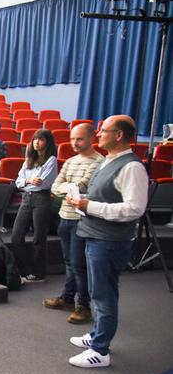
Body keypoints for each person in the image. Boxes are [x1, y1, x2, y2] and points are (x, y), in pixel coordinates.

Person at [66, 115, 148, 368]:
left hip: (110, 241)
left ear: (119, 135)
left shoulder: (132, 167)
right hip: (95, 236)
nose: (99, 134)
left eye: (104, 130)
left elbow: (135, 209)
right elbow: (105, 196)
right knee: (97, 291)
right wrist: (83, 201)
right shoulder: (110, 161)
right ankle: (96, 335)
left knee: (104, 295)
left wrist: (90, 205)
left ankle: (100, 350)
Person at [43, 124, 104, 324]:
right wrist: (69, 188)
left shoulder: (99, 162)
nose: (74, 143)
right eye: (71, 139)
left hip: (82, 220)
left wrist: (67, 188)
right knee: (69, 262)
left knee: (79, 265)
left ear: (91, 138)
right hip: (65, 217)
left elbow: (83, 185)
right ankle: (68, 298)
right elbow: (55, 186)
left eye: (79, 139)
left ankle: (83, 306)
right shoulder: (69, 161)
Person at [10, 129, 58, 282]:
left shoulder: (51, 160)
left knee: (39, 238)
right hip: (26, 199)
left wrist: (27, 182)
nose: (36, 142)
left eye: (41, 139)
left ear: (47, 142)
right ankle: (23, 271)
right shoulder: (28, 161)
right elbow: (18, 183)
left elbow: (41, 183)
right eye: (35, 139)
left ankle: (38, 273)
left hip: (41, 199)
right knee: (16, 237)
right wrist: (29, 181)